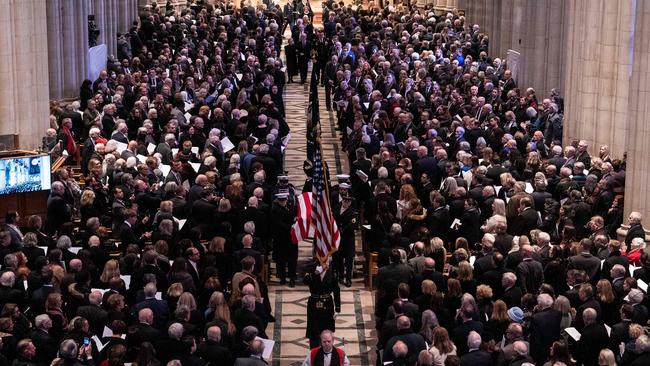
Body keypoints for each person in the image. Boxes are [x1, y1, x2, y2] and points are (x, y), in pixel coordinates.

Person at [304, 259, 341, 348]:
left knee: (327, 332)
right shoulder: (312, 270)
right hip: (314, 303)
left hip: (327, 305)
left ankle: (327, 351)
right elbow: (305, 281)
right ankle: (314, 354)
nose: (326, 263)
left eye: (327, 260)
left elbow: (336, 291)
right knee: (313, 332)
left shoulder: (332, 273)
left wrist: (337, 308)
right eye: (324, 261)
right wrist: (316, 272)